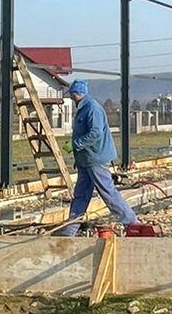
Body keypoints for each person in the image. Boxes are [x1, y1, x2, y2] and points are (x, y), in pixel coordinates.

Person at [58, 79, 137, 234]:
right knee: (81, 195)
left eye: (72, 95)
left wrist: (76, 144)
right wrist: (78, 156)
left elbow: (95, 133)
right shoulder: (84, 108)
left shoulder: (92, 108)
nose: (71, 98)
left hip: (96, 158)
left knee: (107, 191)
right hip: (86, 160)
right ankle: (70, 229)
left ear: (76, 94)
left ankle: (132, 222)